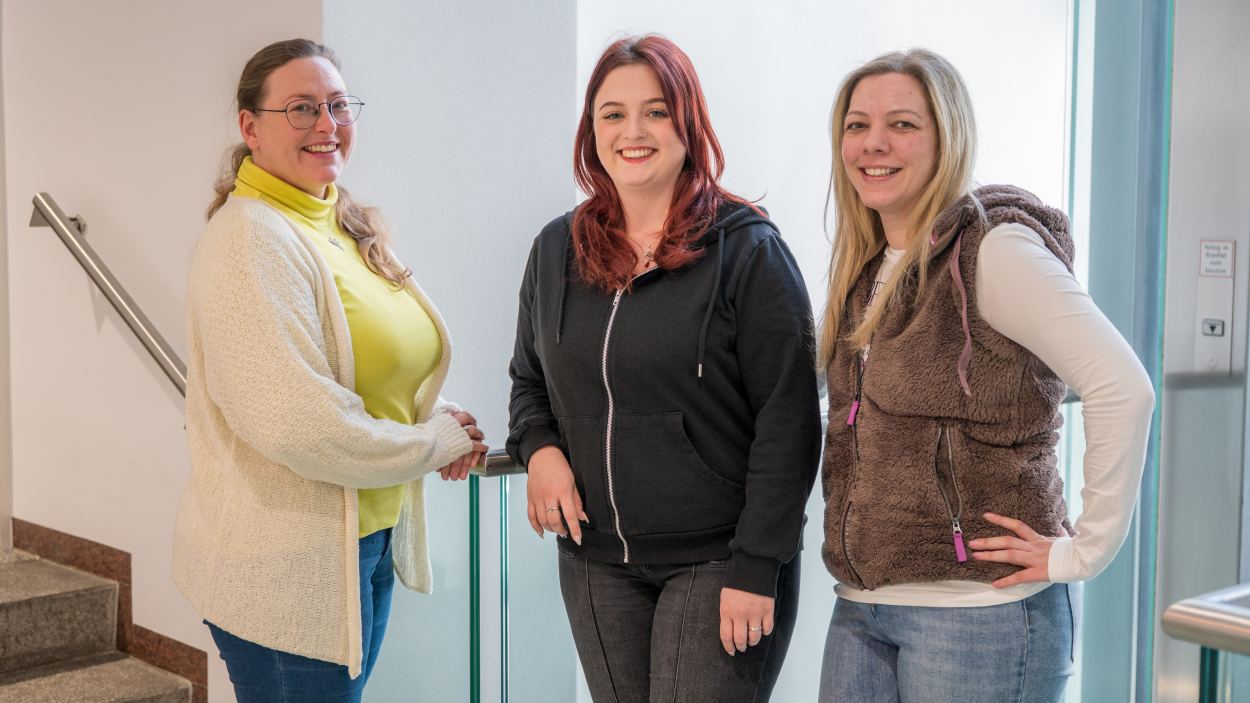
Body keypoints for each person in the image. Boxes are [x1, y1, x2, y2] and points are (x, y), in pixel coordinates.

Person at [816, 48, 1155, 702]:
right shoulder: (868, 268)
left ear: (948, 136)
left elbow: (1123, 385)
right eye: (856, 125)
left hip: (983, 616)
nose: (873, 142)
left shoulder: (995, 250)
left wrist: (1082, 551)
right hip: (862, 606)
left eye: (903, 124)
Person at [506, 34, 820, 702]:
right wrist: (538, 450)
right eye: (612, 114)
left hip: (719, 559)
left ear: (689, 121)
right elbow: (529, 379)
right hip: (595, 562)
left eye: (655, 110)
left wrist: (758, 564)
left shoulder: (748, 250)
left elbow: (788, 421)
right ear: (592, 133)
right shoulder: (557, 249)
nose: (633, 131)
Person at [171, 38, 486, 703]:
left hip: (359, 544)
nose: (326, 124)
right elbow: (300, 423)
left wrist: (434, 418)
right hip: (286, 569)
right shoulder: (250, 238)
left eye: (339, 105)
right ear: (249, 127)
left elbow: (367, 373)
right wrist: (432, 444)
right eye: (302, 107)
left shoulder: (338, 222)